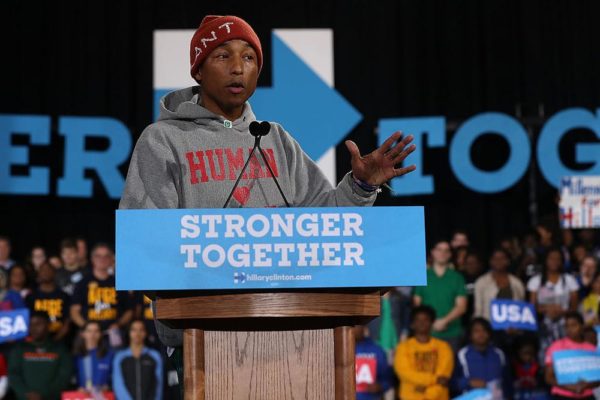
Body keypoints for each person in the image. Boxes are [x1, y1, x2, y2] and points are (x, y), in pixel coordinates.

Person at [119, 14, 417, 349]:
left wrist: (361, 186)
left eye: (248, 58)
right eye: (223, 56)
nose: (238, 68)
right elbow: (144, 243)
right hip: (201, 335)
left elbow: (323, 224)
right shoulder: (163, 139)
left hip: (294, 329)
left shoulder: (275, 139)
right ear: (198, 70)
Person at [71, 243, 132, 346]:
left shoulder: (119, 283)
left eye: (106, 256)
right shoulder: (82, 283)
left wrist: (118, 324)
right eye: (98, 256)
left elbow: (129, 311)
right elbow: (74, 311)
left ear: (112, 259)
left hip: (113, 333)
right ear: (92, 259)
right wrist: (87, 328)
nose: (102, 259)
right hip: (89, 335)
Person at [413, 240, 467, 352]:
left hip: (452, 332)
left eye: (446, 250)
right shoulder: (422, 276)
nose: (442, 253)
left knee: (450, 368)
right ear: (432, 252)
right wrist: (430, 323)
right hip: (426, 333)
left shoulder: (457, 278)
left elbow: (461, 306)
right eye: (439, 249)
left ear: (450, 254)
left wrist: (444, 321)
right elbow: (417, 304)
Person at [527, 247, 579, 359]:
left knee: (566, 356)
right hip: (544, 325)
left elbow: (574, 307)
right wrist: (546, 310)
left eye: (558, 259)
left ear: (562, 261)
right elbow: (532, 307)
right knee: (547, 357)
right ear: (545, 260)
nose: (554, 261)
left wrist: (562, 312)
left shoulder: (570, 280)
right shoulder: (535, 281)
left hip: (565, 325)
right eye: (551, 258)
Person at [8, 312, 72, 400]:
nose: (34, 328)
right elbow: (13, 375)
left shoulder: (60, 349)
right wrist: (26, 393)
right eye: (31, 324)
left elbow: (64, 377)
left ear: (48, 325)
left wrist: (43, 394)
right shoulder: (19, 349)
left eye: (38, 324)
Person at [394, 305, 453, 400]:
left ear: (432, 323)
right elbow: (406, 374)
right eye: (418, 320)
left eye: (426, 319)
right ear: (412, 324)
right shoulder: (403, 347)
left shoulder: (443, 347)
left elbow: (443, 377)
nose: (422, 323)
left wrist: (428, 394)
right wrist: (434, 380)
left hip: (437, 397)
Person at [545, 312, 600, 399]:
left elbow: (598, 378)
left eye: (574, 325)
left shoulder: (591, 348)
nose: (570, 329)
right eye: (567, 326)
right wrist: (571, 387)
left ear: (582, 326)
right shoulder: (556, 346)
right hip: (562, 395)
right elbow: (549, 377)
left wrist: (586, 386)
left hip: (586, 396)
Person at [453, 318, 511, 399]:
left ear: (489, 333)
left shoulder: (499, 354)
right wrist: (469, 382)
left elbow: (507, 381)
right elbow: (452, 382)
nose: (481, 334)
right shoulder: (462, 355)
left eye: (484, 330)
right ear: (470, 335)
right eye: (476, 331)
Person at [113, 320, 163, 400]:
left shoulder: (155, 356)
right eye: (134, 330)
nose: (137, 333)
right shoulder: (120, 357)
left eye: (141, 330)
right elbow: (118, 385)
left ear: (146, 333)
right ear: (129, 332)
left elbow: (159, 385)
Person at [474, 248, 525, 321]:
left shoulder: (517, 283)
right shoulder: (481, 282)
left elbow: (521, 306)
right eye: (495, 258)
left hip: (513, 326)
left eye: (502, 258)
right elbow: (478, 309)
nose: (498, 261)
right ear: (490, 261)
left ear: (508, 261)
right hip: (488, 325)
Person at [25, 261, 71, 342]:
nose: (45, 273)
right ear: (38, 274)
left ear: (54, 273)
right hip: (36, 341)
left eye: (48, 270)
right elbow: (27, 322)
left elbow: (67, 323)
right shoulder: (30, 297)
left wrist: (55, 341)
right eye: (43, 270)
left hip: (60, 340)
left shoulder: (64, 296)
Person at [73, 321, 114, 394]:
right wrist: (78, 388)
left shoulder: (109, 355)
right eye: (89, 331)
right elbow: (72, 379)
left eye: (96, 331)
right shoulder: (76, 356)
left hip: (104, 396)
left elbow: (114, 377)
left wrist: (108, 387)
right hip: (81, 396)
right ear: (82, 334)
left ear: (100, 334)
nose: (93, 334)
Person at [354, 325, 393, 400]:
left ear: (364, 327)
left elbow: (387, 378)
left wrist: (380, 386)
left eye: (356, 325)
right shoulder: (335, 347)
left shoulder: (376, 350)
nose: (352, 328)